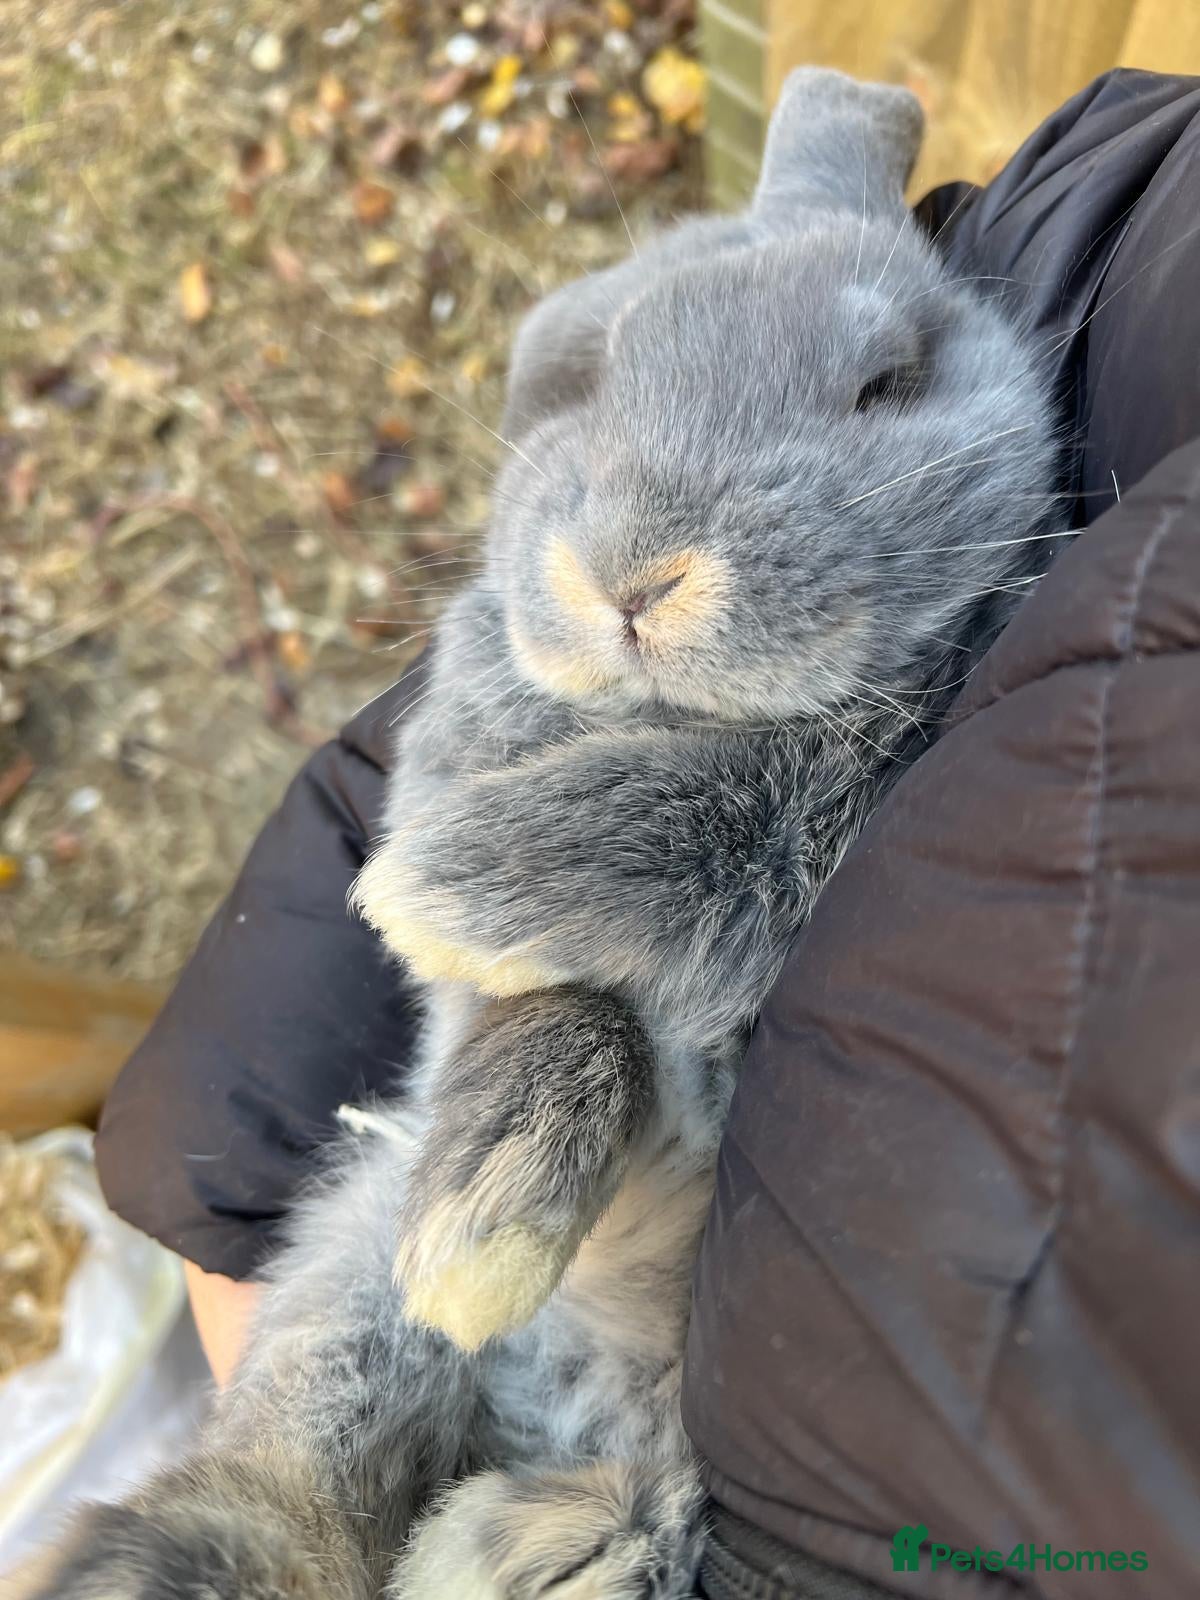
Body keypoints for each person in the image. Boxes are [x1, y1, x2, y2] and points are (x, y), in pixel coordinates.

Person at [96, 68, 1200, 1598]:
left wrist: (662, 852)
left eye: (877, 393)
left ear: (933, 366)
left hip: (745, 1351)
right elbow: (428, 874)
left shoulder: (1033, 590)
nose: (644, 567)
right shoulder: (519, 628)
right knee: (352, 1327)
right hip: (499, 1193)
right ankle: (274, 1515)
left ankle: (616, 1531)